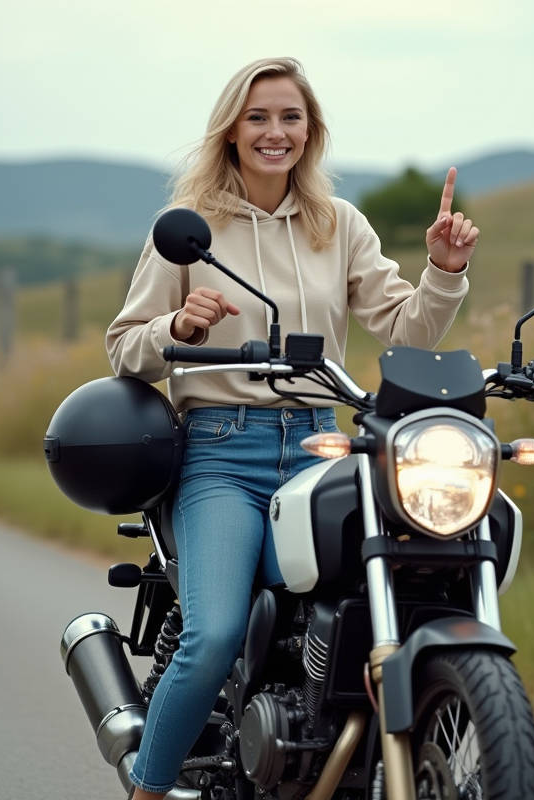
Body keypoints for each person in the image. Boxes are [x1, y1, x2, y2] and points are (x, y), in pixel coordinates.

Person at [106, 56, 479, 799]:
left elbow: (404, 330)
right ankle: (148, 790)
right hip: (222, 452)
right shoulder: (188, 229)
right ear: (233, 131)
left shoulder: (338, 225)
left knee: (362, 608)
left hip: (320, 449)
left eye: (290, 118)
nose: (276, 132)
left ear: (311, 132)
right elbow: (124, 347)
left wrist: (442, 270)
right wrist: (177, 323)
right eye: (259, 117)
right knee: (213, 636)